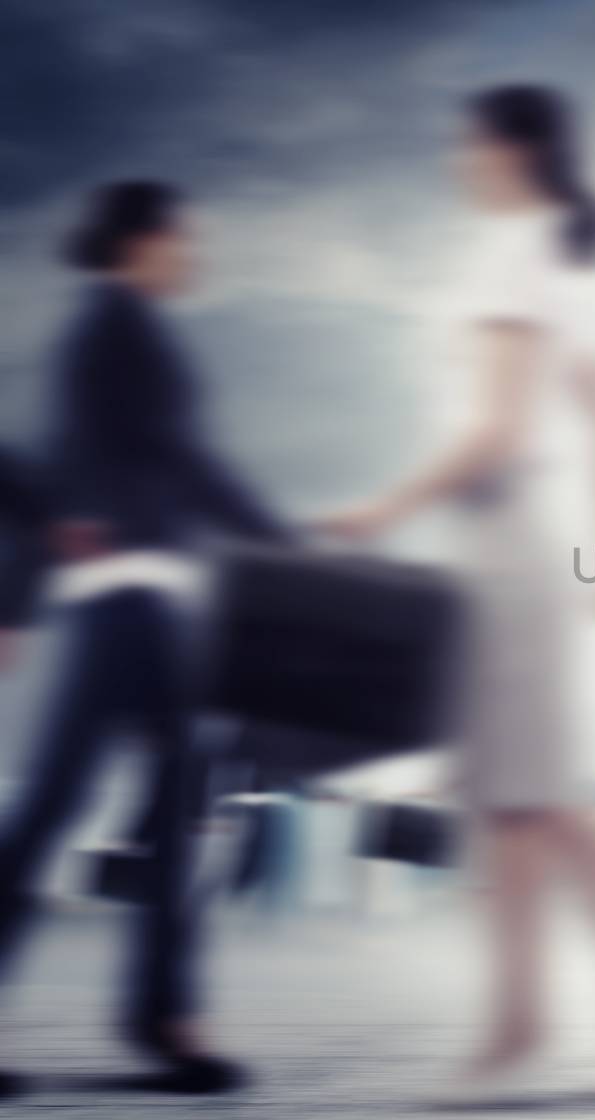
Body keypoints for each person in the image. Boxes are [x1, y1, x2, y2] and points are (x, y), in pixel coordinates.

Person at [317, 85, 595, 1096]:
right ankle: (523, 1018)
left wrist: (383, 506)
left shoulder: (513, 253)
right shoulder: (561, 258)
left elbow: (499, 432)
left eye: (467, 141)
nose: (457, 156)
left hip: (509, 541)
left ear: (511, 148)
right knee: (515, 799)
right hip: (529, 543)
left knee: (535, 795)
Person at [0, 180, 295, 1096]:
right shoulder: (116, 333)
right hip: (130, 604)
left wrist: (18, 597)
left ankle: (164, 1018)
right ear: (142, 241)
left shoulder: (103, 335)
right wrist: (284, 542)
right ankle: (165, 1020)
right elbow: (175, 461)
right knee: (101, 812)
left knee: (132, 811)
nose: (194, 257)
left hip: (134, 602)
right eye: (184, 239)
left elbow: (58, 473)